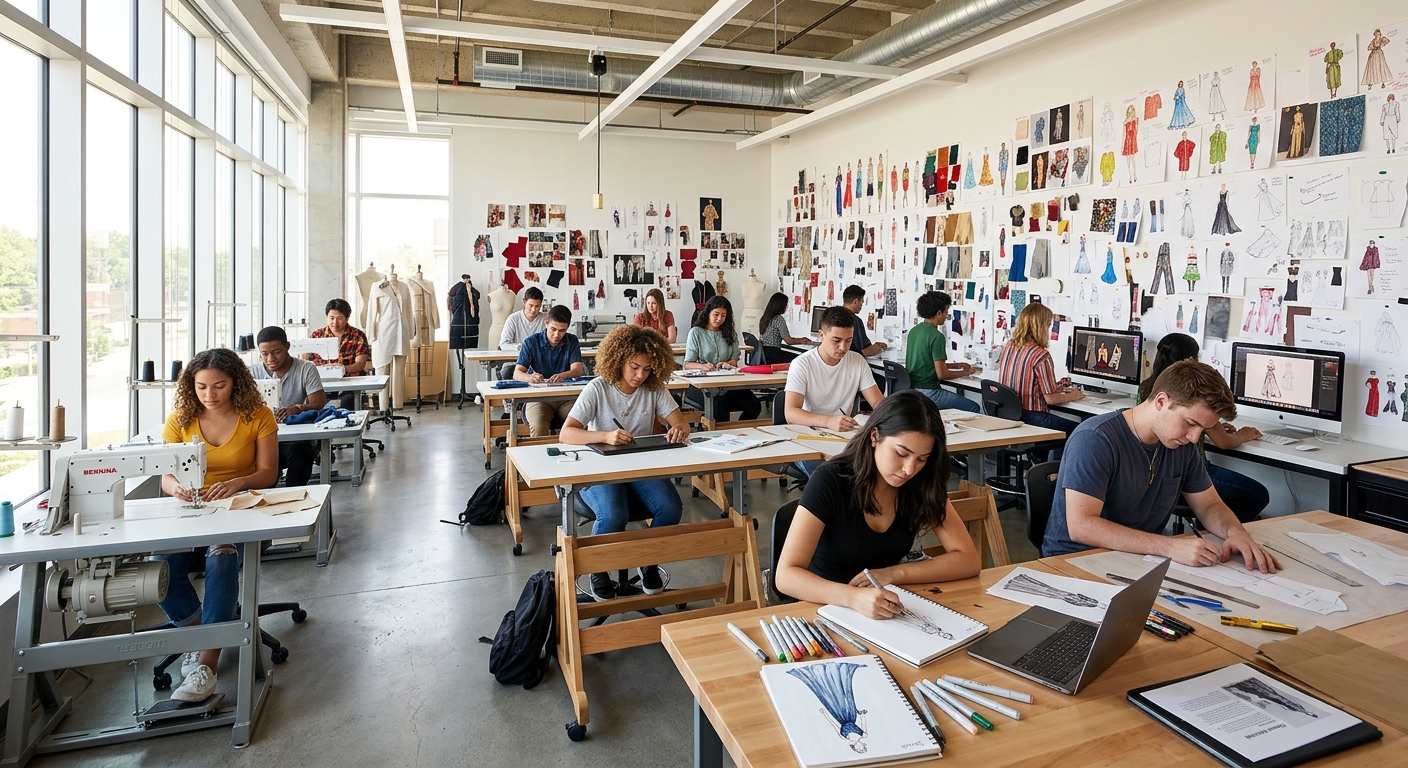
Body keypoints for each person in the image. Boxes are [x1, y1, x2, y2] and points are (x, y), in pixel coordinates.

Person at [1042, 360, 1282, 574]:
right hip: (1076, 562)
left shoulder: (1180, 445)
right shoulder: (1095, 439)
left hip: (1138, 560)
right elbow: (1082, 526)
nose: (1194, 437)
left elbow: (1209, 505)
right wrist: (1168, 546)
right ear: (1161, 401)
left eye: (1203, 429)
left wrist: (1236, 532)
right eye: (1190, 423)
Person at [774, 391, 981, 616]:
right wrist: (854, 598)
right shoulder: (831, 480)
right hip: (824, 607)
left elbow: (968, 559)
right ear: (874, 436)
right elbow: (786, 576)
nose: (909, 469)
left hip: (884, 607)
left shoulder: (922, 482)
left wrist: (893, 574)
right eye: (901, 453)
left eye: (922, 459)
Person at [158, 348, 280, 702]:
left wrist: (237, 482)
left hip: (238, 506)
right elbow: (165, 475)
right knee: (160, 566)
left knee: (221, 556)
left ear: (236, 384)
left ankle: (206, 664)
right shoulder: (179, 420)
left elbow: (268, 473)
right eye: (200, 387)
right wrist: (175, 487)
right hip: (189, 508)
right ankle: (202, 636)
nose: (209, 395)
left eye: (219, 386)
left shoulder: (257, 416)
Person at [559, 325, 693, 601]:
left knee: (671, 508)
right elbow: (567, 432)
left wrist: (679, 428)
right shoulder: (598, 387)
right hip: (599, 467)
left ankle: (648, 560)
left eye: (646, 368)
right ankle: (598, 570)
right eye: (634, 367)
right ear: (618, 359)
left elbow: (680, 421)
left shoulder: (653, 387)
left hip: (638, 466)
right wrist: (605, 435)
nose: (640, 375)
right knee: (612, 514)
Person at [1138, 334, 1270, 523]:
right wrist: (1242, 435)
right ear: (1191, 361)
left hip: (1165, 475)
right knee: (1259, 495)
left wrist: (1210, 426)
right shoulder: (1196, 397)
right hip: (1192, 472)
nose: (1193, 437)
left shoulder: (1146, 388)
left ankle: (1211, 527)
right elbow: (1224, 443)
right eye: (1191, 423)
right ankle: (1208, 531)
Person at [784, 306, 884, 476]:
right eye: (836, 340)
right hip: (808, 437)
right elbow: (791, 413)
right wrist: (829, 421)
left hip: (843, 437)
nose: (843, 347)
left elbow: (878, 403)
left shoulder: (857, 361)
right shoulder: (802, 364)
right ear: (821, 335)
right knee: (828, 476)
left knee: (873, 466)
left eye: (848, 340)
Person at [996, 302, 1082, 458]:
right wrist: (1072, 395)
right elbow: (1050, 399)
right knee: (1078, 430)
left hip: (1009, 414)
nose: (1049, 330)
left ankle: (1037, 467)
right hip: (1031, 416)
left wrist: (1055, 387)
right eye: (1048, 326)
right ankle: (1054, 474)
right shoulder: (1041, 355)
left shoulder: (1009, 346)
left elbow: (1029, 382)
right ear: (1041, 326)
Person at [252, 325, 328, 487]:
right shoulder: (252, 373)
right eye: (264, 354)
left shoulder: (306, 369)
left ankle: (294, 494)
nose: (270, 359)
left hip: (295, 439)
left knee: (300, 451)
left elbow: (319, 402)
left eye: (276, 352)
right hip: (264, 438)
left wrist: (298, 408)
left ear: (287, 347)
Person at [684, 296, 761, 420]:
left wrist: (728, 364)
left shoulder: (730, 333)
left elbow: (734, 360)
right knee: (720, 408)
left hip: (727, 384)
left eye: (723, 315)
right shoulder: (696, 333)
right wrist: (703, 366)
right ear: (708, 313)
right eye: (716, 314)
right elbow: (688, 364)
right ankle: (721, 436)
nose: (719, 319)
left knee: (754, 405)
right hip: (702, 386)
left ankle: (741, 433)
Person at [513, 304, 584, 437]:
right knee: (539, 428)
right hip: (539, 398)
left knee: (581, 424)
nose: (557, 335)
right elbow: (517, 373)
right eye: (553, 329)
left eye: (562, 331)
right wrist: (530, 377)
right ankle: (538, 457)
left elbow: (577, 370)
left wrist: (564, 375)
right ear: (546, 322)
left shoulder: (572, 341)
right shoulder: (531, 342)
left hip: (566, 398)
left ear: (568, 327)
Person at [906, 291, 981, 413]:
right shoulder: (937, 336)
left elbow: (929, 364)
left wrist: (958, 365)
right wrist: (966, 372)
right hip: (929, 392)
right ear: (939, 313)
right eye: (946, 312)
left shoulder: (914, 331)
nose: (947, 316)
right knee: (973, 407)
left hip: (913, 390)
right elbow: (942, 374)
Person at [310, 298, 371, 410]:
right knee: (315, 404)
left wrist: (340, 369)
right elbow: (308, 360)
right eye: (331, 318)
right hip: (323, 382)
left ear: (347, 318)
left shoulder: (358, 336)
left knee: (348, 403)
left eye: (340, 318)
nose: (335, 323)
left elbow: (360, 364)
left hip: (350, 381)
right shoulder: (317, 335)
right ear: (326, 317)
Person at [497, 286, 546, 379]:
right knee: (507, 372)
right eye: (530, 306)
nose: (533, 310)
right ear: (524, 302)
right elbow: (503, 344)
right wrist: (519, 347)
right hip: (515, 362)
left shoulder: (545, 320)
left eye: (537, 306)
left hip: (539, 362)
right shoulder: (513, 319)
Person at [758, 292, 811, 365]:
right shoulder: (779, 319)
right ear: (780, 306)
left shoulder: (764, 318)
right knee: (800, 359)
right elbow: (789, 341)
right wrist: (802, 340)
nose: (786, 307)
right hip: (773, 355)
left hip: (763, 354)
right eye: (786, 305)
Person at [842, 285, 888, 357]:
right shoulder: (854, 321)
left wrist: (876, 346)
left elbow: (864, 346)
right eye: (862, 302)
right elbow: (849, 351)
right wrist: (865, 352)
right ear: (856, 301)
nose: (861, 305)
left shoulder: (832, 318)